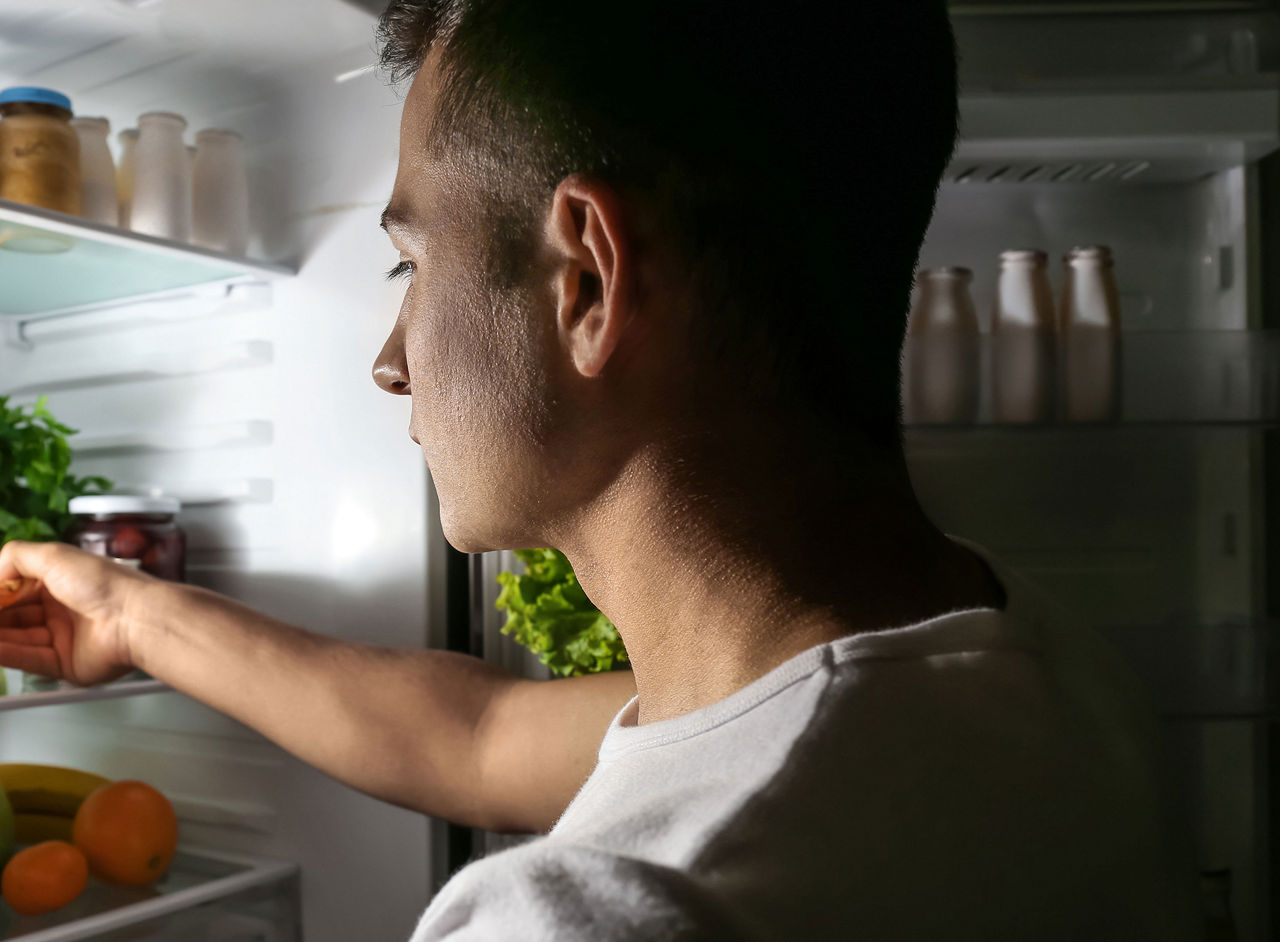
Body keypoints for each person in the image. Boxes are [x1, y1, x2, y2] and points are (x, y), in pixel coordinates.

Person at [0, 1, 1204, 939]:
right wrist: (131, 614)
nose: (388, 362)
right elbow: (472, 736)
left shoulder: (619, 912)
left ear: (584, 278)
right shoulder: (1015, 660)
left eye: (406, 267)